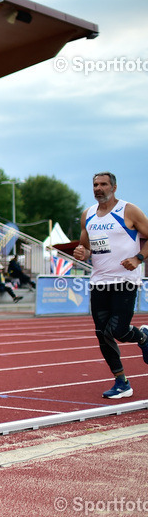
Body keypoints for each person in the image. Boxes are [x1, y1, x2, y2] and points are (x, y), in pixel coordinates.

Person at [71, 171, 148, 399]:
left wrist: (138, 259)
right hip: (99, 282)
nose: (98, 188)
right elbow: (85, 247)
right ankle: (121, 382)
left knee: (119, 331)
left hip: (125, 281)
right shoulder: (88, 215)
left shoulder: (128, 210)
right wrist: (81, 252)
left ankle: (143, 337)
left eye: (103, 184)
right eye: (95, 184)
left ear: (114, 187)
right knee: (102, 333)